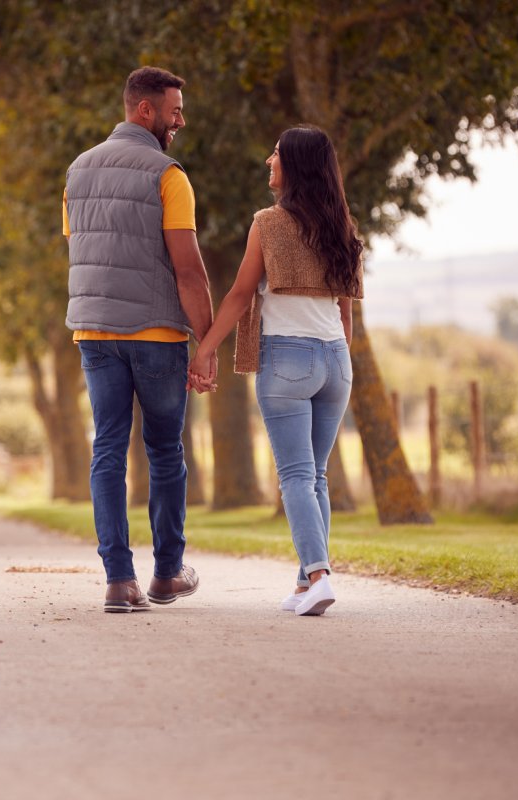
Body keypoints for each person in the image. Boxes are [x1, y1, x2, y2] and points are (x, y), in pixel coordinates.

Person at [189, 125, 364, 617]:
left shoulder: (268, 223)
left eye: (277, 154)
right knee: (317, 477)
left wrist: (205, 349)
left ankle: (318, 574)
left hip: (288, 358)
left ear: (294, 166)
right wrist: (336, 357)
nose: (269, 161)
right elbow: (346, 312)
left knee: (294, 476)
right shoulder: (343, 229)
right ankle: (306, 581)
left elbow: (241, 295)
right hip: (336, 359)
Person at [64, 66, 217, 613]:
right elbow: (190, 270)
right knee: (164, 451)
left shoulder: (77, 171)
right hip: (154, 333)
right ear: (145, 110)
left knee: (107, 449)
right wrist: (207, 342)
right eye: (174, 111)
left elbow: (86, 247)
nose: (180, 121)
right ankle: (168, 573)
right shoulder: (167, 174)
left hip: (94, 332)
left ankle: (118, 582)